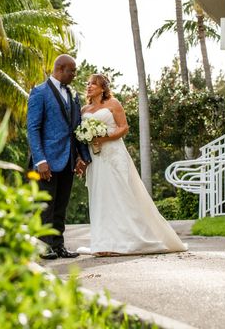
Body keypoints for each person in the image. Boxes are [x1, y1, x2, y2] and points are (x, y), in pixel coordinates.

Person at [80, 74, 187, 256]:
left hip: (113, 154)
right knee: (101, 197)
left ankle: (130, 239)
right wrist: (86, 142)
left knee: (121, 195)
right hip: (95, 158)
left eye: (94, 84)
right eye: (88, 84)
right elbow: (80, 134)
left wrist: (103, 138)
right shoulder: (84, 110)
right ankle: (104, 243)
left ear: (103, 88)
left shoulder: (114, 104)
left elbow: (123, 128)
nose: (89, 86)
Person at [26, 54, 91, 260]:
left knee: (61, 205)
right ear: (61, 69)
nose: (74, 75)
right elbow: (33, 128)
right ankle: (44, 246)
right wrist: (40, 160)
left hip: (68, 159)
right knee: (46, 206)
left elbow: (76, 128)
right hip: (46, 161)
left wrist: (83, 157)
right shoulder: (39, 92)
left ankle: (59, 245)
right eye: (72, 71)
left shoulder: (73, 94)